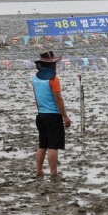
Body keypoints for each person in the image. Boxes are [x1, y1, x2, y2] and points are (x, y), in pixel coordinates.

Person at [32, 50, 71, 179]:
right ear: (50, 65)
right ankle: (53, 173)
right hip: (53, 116)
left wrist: (40, 111)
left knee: (42, 144)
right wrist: (65, 116)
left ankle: (39, 171)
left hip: (41, 115)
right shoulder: (54, 79)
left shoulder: (35, 78)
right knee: (53, 146)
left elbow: (37, 99)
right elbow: (58, 99)